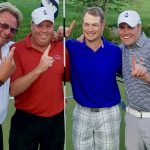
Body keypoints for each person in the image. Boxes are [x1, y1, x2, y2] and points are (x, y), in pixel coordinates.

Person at [9, 7, 69, 150]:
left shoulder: (61, 47)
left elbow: (66, 77)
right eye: (39, 25)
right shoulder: (17, 49)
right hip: (26, 120)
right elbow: (13, 90)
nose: (44, 30)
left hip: (56, 120)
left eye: (48, 26)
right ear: (31, 26)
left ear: (53, 27)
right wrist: (39, 69)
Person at [66, 7, 122, 150]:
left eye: (95, 25)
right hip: (81, 113)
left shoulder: (115, 51)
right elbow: (47, 43)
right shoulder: (71, 47)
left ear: (102, 26)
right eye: (87, 24)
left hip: (108, 114)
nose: (90, 29)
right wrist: (59, 34)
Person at [117, 10, 150, 150]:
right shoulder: (121, 49)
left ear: (139, 27)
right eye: (122, 27)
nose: (126, 32)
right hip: (131, 118)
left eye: (130, 27)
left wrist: (146, 76)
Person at [0, 2, 23, 150]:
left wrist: (56, 34)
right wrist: (1, 77)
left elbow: (38, 41)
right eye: (3, 25)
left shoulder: (10, 48)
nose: (8, 32)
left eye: (13, 30)